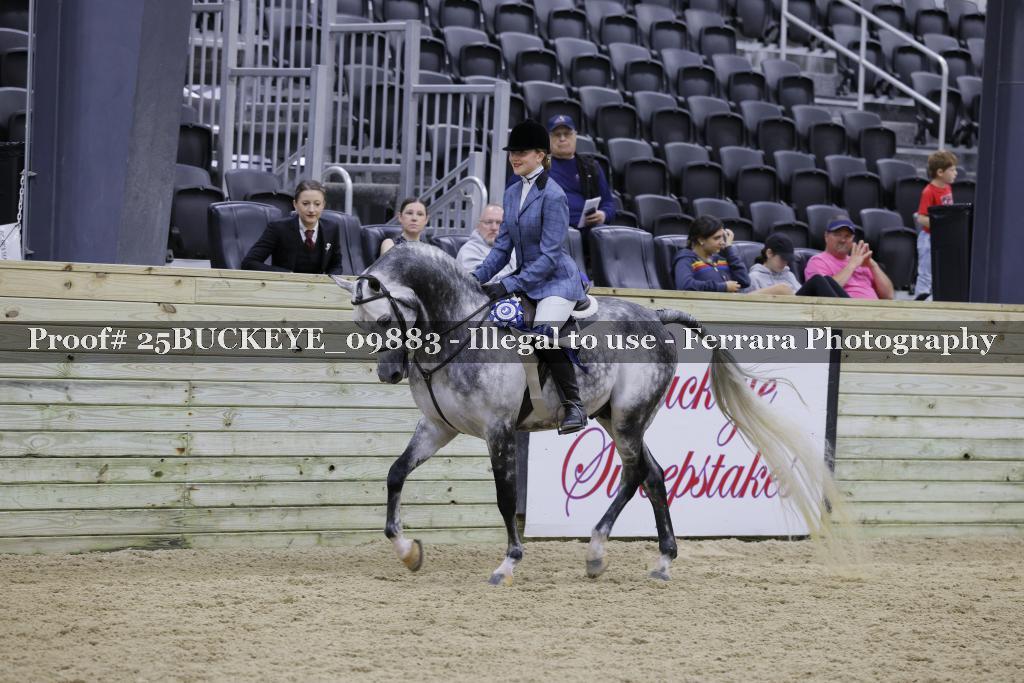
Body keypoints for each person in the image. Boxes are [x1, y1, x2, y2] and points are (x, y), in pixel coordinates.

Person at [473, 119, 588, 435]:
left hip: (556, 282)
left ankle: (574, 405)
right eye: (512, 153)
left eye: (521, 152)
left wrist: (508, 284)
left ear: (540, 155)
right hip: (528, 279)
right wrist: (473, 278)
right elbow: (501, 249)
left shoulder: (554, 195)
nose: (514, 158)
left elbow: (550, 257)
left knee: (542, 334)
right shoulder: (512, 192)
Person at [242, 179, 344, 275]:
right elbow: (249, 262)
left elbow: (336, 266)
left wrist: (329, 280)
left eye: (317, 204)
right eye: (305, 204)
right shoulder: (278, 228)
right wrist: (286, 275)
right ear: (295, 204)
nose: (311, 210)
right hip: (285, 285)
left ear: (323, 205)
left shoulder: (332, 228)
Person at [673, 215, 790, 294]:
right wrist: (723, 287)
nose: (722, 242)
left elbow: (744, 281)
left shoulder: (721, 259)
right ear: (701, 240)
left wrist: (729, 248)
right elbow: (685, 285)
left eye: (722, 237)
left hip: (731, 307)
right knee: (781, 290)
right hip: (707, 310)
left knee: (783, 290)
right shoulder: (686, 259)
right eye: (717, 238)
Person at [546, 114, 616, 231]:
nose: (562, 138)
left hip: (588, 229)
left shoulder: (589, 166)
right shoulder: (540, 165)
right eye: (557, 135)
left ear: (575, 136)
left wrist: (603, 215)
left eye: (567, 134)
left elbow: (609, 203)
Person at [804, 217, 894, 300]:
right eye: (838, 235)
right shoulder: (818, 261)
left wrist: (873, 265)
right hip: (844, 309)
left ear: (853, 239)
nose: (842, 240)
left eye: (847, 236)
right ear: (826, 236)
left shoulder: (862, 262)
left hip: (874, 309)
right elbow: (825, 291)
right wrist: (852, 265)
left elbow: (889, 296)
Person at [914, 149, 958, 301]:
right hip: (929, 239)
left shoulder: (947, 188)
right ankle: (920, 302)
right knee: (926, 274)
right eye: (952, 170)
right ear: (940, 172)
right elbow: (921, 218)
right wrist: (941, 224)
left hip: (943, 237)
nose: (955, 173)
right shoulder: (928, 192)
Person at [747, 233, 849, 298]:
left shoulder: (788, 274)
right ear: (769, 253)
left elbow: (800, 293)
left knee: (827, 279)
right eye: (782, 259)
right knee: (817, 280)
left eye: (787, 260)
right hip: (779, 312)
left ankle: (853, 310)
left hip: (799, 308)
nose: (785, 263)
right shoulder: (755, 276)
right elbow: (747, 300)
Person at [455, 203, 517, 283]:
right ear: (478, 225)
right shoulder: (468, 251)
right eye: (488, 222)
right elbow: (482, 283)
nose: (494, 228)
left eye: (499, 223)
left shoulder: (514, 248)